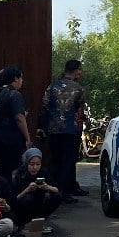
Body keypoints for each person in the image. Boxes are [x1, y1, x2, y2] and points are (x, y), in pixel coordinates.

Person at [39, 60, 86, 202]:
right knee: (68, 161)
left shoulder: (52, 87)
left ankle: (56, 190)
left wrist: (42, 127)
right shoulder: (78, 88)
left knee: (56, 160)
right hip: (71, 130)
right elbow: (80, 110)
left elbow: (45, 107)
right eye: (80, 70)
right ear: (76, 70)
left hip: (54, 129)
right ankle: (64, 193)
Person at [0, 65, 32, 182]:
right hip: (10, 138)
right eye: (21, 78)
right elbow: (19, 117)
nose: (22, 81)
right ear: (16, 78)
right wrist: (27, 138)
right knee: (10, 170)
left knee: (0, 169)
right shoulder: (15, 94)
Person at [11, 147, 62, 232]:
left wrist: (47, 187)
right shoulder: (19, 174)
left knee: (56, 196)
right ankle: (24, 223)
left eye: (38, 164)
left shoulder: (43, 172)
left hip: (40, 201)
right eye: (32, 164)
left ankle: (40, 221)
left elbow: (57, 189)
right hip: (23, 206)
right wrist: (26, 190)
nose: (35, 167)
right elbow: (14, 199)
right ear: (27, 163)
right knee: (28, 198)